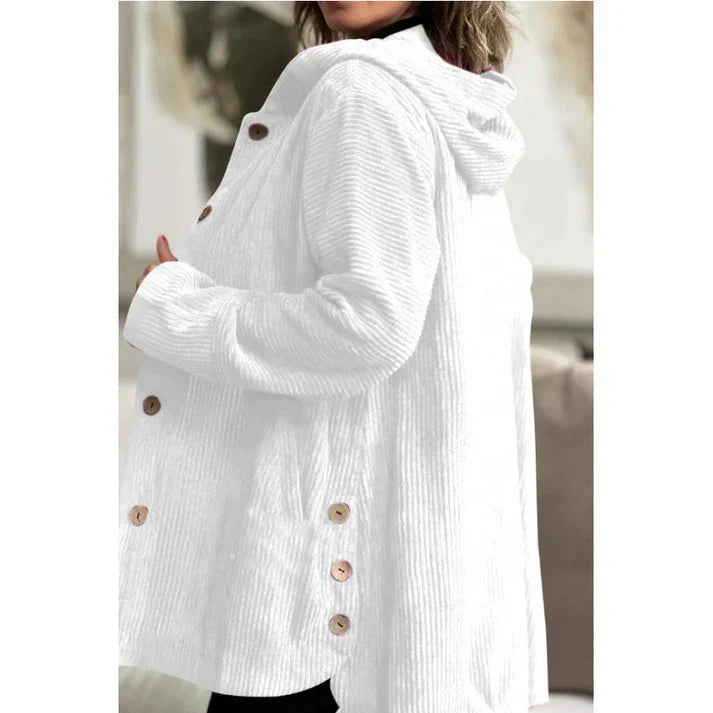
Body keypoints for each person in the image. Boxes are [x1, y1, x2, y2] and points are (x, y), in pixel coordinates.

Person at [120, 2, 548, 712]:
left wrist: (176, 307)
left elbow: (367, 326)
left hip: (321, 602)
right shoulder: (453, 104)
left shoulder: (362, 93)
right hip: (421, 607)